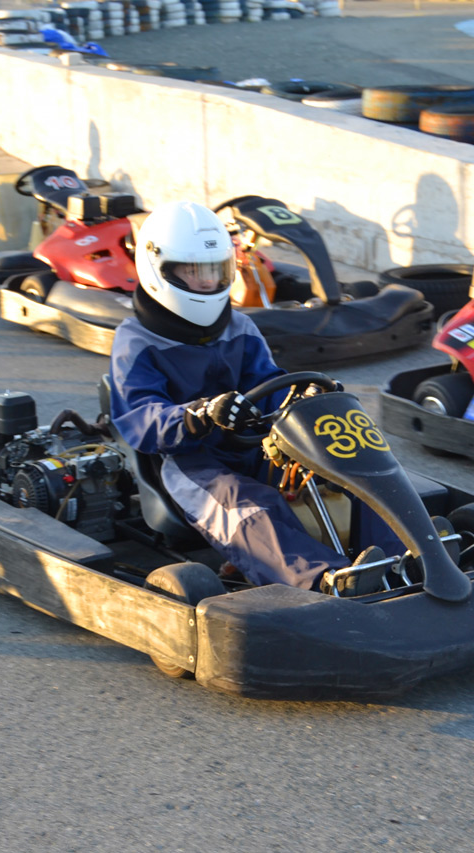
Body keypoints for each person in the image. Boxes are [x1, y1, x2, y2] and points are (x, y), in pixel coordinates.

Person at [108, 202, 405, 597]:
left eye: (215, 270)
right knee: (248, 504)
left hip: (258, 447)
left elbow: (268, 383)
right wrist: (198, 415)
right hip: (191, 463)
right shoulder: (137, 342)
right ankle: (324, 580)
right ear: (157, 269)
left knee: (346, 469)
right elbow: (140, 417)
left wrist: (304, 394)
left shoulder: (240, 327)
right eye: (193, 272)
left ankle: (401, 556)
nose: (207, 282)